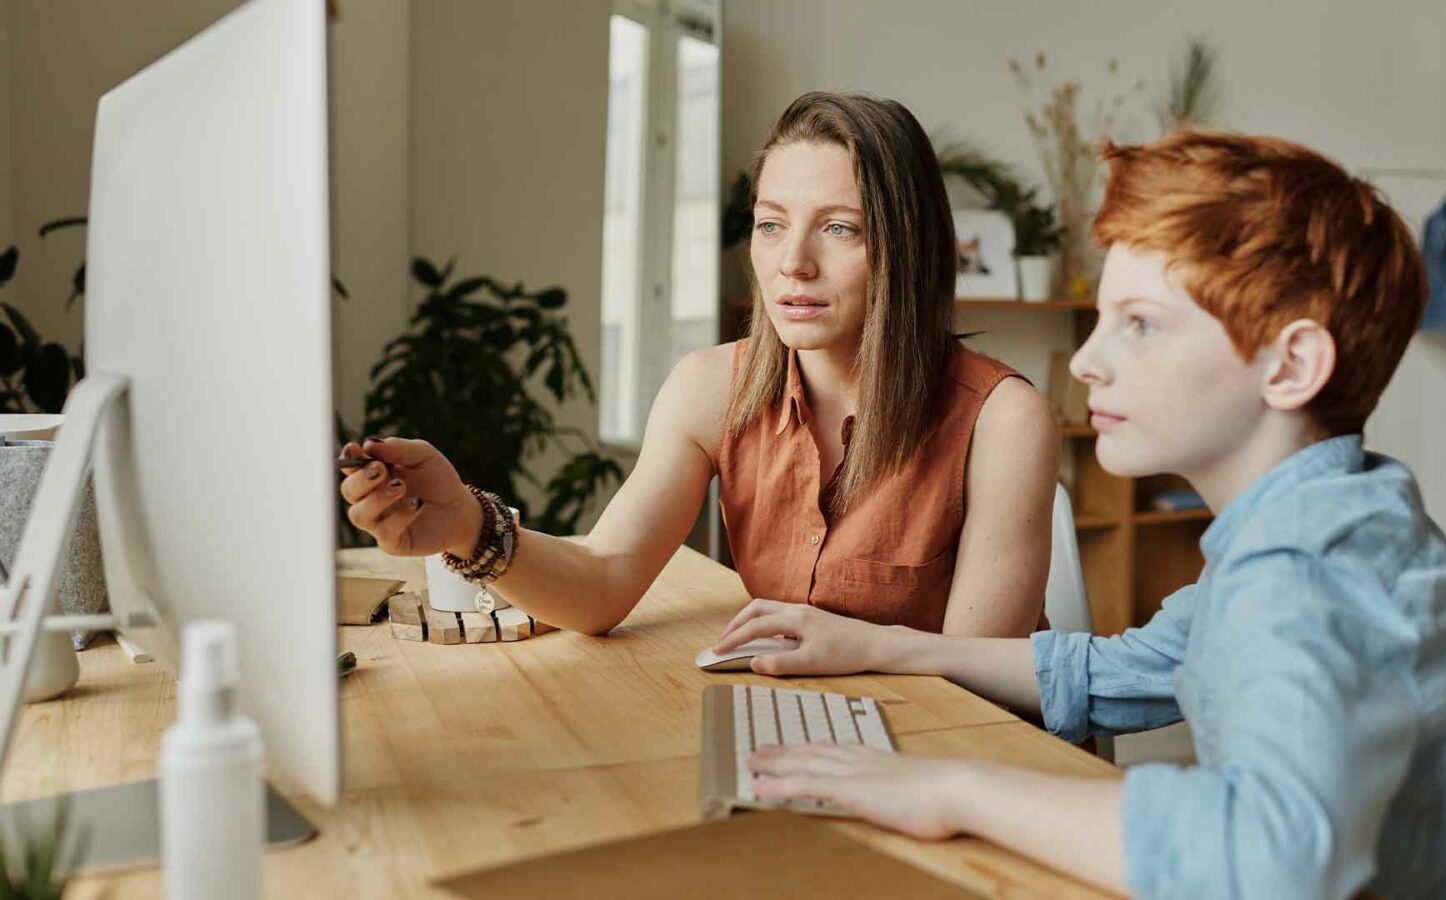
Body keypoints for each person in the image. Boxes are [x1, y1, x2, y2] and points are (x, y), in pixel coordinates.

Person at [715, 130, 1446, 898]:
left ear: (1291, 366)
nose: (1087, 360)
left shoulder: (1311, 571)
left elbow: (1272, 858)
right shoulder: (1327, 520)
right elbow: (1120, 671)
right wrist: (879, 646)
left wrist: (954, 787)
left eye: (1139, 325)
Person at [338, 91, 1059, 638]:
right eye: (771, 224)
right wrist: (467, 523)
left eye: (840, 229)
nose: (792, 264)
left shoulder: (1003, 420)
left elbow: (979, 683)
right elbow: (603, 581)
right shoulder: (711, 387)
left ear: (908, 248)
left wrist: (839, 651)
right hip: (803, 732)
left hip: (952, 757)